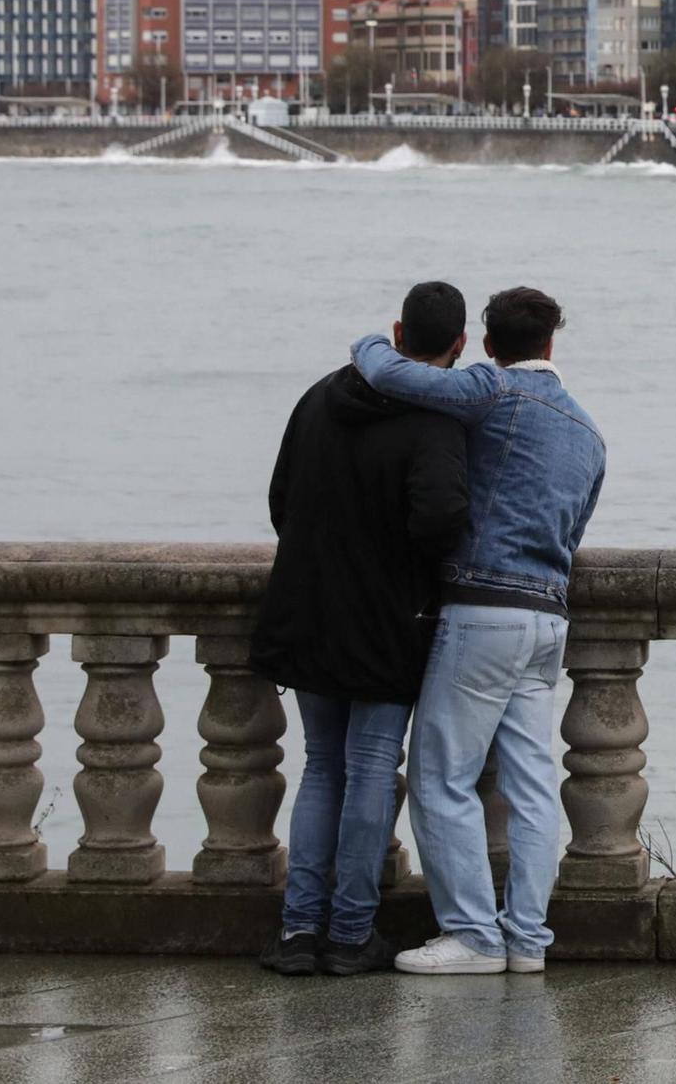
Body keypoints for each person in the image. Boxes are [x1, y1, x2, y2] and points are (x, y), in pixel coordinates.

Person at [349, 286, 606, 975]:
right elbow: (573, 534)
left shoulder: (489, 391)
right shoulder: (587, 432)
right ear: (551, 345)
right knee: (530, 784)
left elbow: (391, 374)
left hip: (482, 611)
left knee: (440, 777)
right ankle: (528, 939)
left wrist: (370, 340)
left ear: (489, 345)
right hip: (547, 619)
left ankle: (473, 936)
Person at [253, 282, 472, 977]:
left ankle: (297, 933)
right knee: (372, 768)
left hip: (309, 609)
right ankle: (349, 933)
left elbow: (281, 498)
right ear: (459, 346)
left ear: (397, 332)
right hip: (384, 619)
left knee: (320, 767)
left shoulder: (320, 396)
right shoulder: (434, 417)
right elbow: (438, 523)